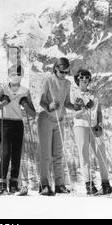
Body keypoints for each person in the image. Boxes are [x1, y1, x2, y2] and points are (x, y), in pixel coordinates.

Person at [0, 64, 36, 193]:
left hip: (18, 123)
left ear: (22, 76)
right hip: (4, 122)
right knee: (5, 153)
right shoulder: (3, 89)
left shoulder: (25, 91)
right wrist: (3, 103)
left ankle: (14, 183)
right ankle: (1, 182)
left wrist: (25, 105)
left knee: (16, 154)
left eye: (18, 74)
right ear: (9, 75)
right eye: (13, 74)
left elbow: (33, 113)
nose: (15, 76)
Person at [37, 57, 77, 196]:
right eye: (62, 72)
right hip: (46, 119)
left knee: (58, 154)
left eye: (67, 72)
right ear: (55, 69)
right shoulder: (48, 80)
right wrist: (49, 106)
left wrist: (75, 107)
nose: (64, 74)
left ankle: (60, 184)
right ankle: (44, 184)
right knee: (46, 154)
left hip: (60, 120)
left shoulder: (67, 83)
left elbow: (67, 103)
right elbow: (41, 101)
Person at [71, 69, 112, 195]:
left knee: (101, 153)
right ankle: (89, 184)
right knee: (84, 155)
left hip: (94, 126)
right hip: (81, 126)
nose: (84, 79)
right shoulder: (74, 94)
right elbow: (76, 114)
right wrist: (85, 108)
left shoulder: (94, 94)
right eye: (82, 77)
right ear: (77, 79)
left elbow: (99, 111)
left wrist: (99, 124)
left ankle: (106, 183)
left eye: (87, 77)